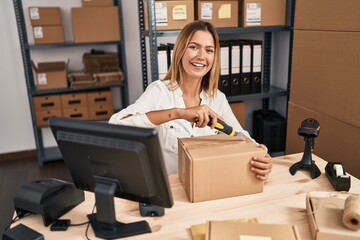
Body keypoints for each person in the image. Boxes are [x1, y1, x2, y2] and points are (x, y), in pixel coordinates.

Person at [109, 20, 272, 179]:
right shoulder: (160, 91)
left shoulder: (217, 98)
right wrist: (178, 113)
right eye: (194, 47)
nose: (201, 56)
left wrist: (260, 155)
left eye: (209, 50)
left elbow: (240, 136)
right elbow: (116, 125)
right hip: (171, 193)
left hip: (206, 186)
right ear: (180, 51)